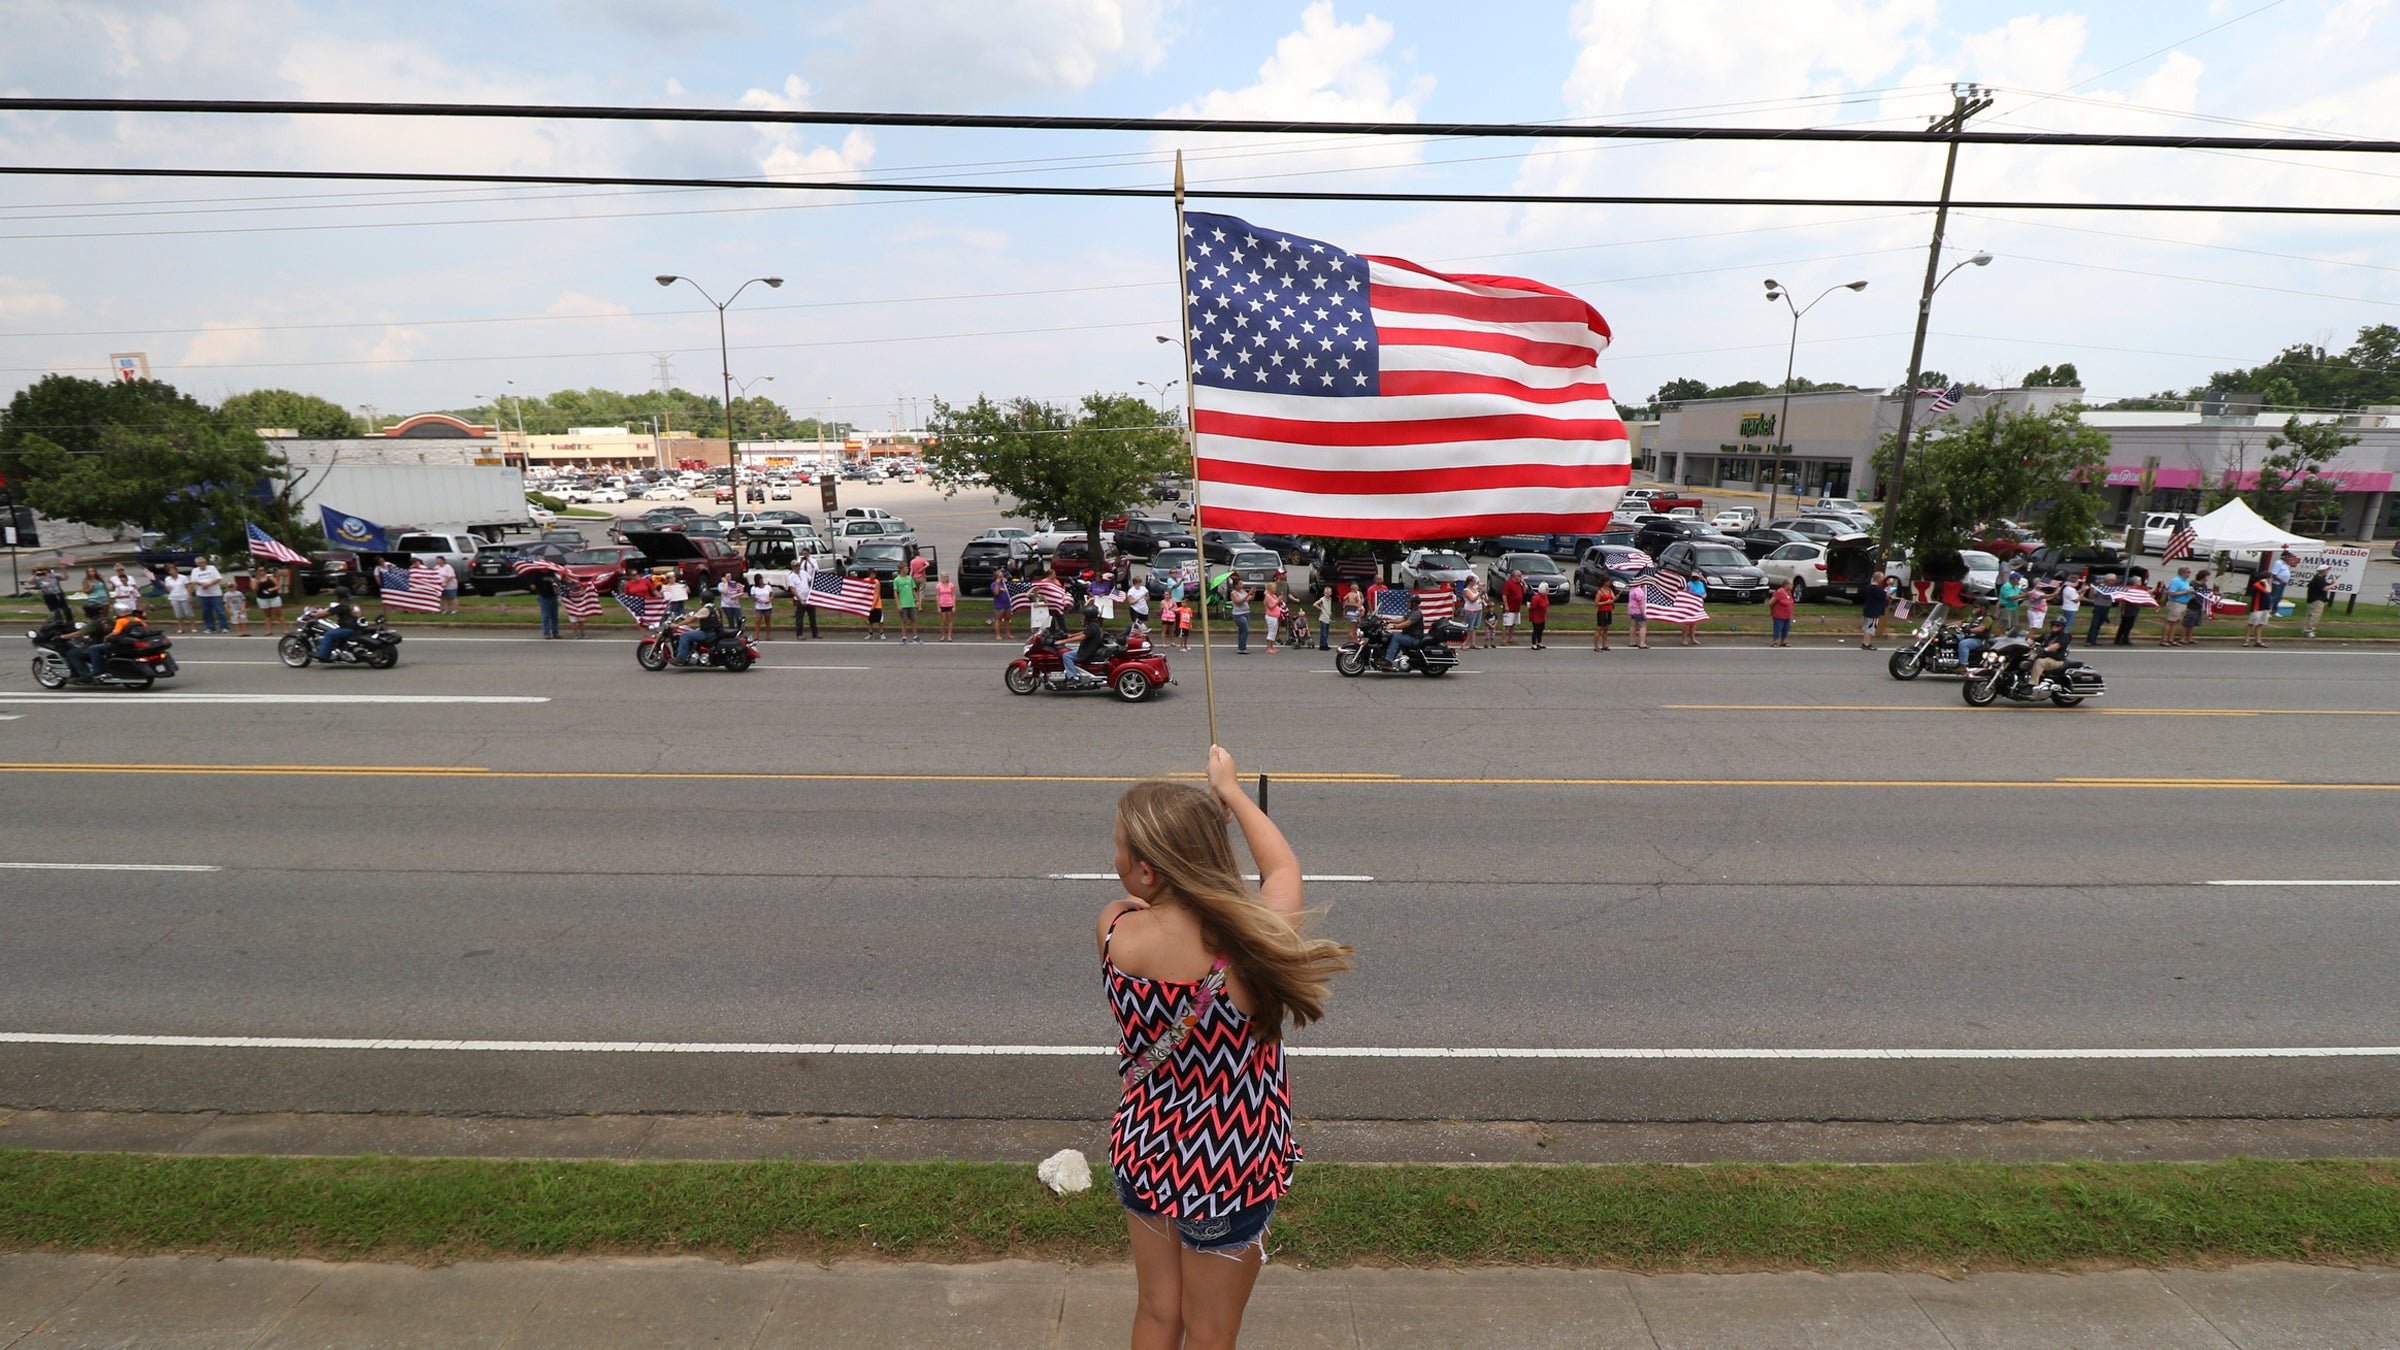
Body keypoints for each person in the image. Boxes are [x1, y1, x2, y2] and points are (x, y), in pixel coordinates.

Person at [1100, 747, 1350, 1350]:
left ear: (1147, 873)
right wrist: (1231, 793)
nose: (1115, 859)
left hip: (1149, 1147)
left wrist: (1197, 849)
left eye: (1120, 849)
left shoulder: (1116, 930)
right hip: (1231, 1166)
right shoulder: (1255, 942)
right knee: (1212, 1329)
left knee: (1158, 1313)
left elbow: (1153, 912)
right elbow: (1283, 871)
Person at [60, 601, 111, 682]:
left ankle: (84, 674)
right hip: (106, 645)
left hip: (96, 646)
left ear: (88, 612)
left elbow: (78, 634)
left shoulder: (94, 623)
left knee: (72, 653)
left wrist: (62, 636)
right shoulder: (107, 620)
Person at [1062, 605, 1108, 684]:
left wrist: (1064, 641)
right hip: (1089, 648)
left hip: (1086, 652)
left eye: (1084, 615)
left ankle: (1073, 676)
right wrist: (1071, 635)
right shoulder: (1094, 624)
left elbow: (1082, 637)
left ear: (1088, 616)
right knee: (1070, 649)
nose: (1082, 616)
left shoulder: (1092, 626)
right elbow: (1084, 632)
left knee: (1066, 656)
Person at [314, 587, 362, 662]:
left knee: (329, 634)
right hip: (358, 628)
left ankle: (322, 655)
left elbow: (325, 614)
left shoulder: (342, 606)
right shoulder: (353, 604)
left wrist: (313, 614)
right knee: (336, 632)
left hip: (349, 629)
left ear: (339, 596)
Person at [1381, 594, 1425, 667]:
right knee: (1390, 634)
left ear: (1414, 603)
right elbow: (1402, 619)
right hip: (1409, 635)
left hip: (1414, 638)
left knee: (1396, 637)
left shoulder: (1416, 613)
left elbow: (1407, 623)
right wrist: (1388, 621)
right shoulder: (1412, 611)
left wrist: (1394, 626)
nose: (1407, 603)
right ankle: (1385, 655)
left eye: (1409, 602)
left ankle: (1388, 660)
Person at [2027, 618, 2072, 689]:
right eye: (2053, 624)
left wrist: (2045, 649)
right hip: (2044, 656)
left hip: (2056, 660)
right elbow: (2035, 640)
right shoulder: (2048, 635)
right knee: (2026, 659)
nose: (2055, 626)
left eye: (2058, 625)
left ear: (2062, 627)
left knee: (2040, 662)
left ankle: (2032, 685)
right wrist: (2029, 641)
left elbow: (2056, 646)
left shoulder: (2065, 636)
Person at [1954, 603, 1996, 671]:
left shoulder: (1987, 618)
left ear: (1983, 608)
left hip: (1979, 639)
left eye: (1976, 607)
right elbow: (1961, 622)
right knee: (1952, 638)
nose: (1974, 608)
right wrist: (1944, 625)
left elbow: (1981, 628)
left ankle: (1963, 665)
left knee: (1964, 644)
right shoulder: (1973, 617)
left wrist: (1969, 630)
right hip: (1968, 636)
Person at [189, 556, 226, 632]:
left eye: (203, 562)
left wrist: (208, 584)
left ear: (205, 562)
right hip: (202, 594)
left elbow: (218, 578)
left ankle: (224, 627)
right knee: (206, 612)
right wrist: (202, 584)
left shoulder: (212, 568)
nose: (202, 564)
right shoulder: (195, 570)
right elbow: (193, 581)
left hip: (215, 593)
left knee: (220, 611)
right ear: (196, 564)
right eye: (199, 563)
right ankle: (210, 627)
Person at [2114, 567, 2147, 646]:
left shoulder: (2140, 589)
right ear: (2134, 582)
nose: (2140, 582)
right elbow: (2124, 600)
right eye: (2139, 581)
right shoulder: (2129, 589)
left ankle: (2126, 638)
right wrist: (2123, 610)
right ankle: (2118, 639)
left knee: (2130, 625)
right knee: (2124, 625)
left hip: (2135, 609)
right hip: (2128, 609)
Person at [158, 564, 195, 634]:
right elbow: (169, 590)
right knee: (178, 614)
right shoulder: (167, 579)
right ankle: (180, 628)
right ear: (168, 572)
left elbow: (188, 587)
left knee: (189, 613)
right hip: (174, 597)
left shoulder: (183, 577)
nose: (172, 571)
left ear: (176, 570)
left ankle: (193, 627)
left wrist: (189, 596)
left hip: (184, 596)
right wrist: (165, 585)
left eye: (173, 570)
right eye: (170, 570)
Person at [2160, 567, 2193, 646]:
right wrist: (2186, 592)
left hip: (2183, 603)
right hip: (2175, 603)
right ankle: (2164, 640)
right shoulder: (2176, 581)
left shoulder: (2185, 582)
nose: (2189, 574)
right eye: (2188, 572)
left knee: (2176, 622)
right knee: (2170, 621)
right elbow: (2171, 593)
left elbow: (2185, 592)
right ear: (2182, 573)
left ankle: (2171, 639)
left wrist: (2190, 595)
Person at [2181, 568, 2213, 645]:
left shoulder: (2204, 585)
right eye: (2207, 576)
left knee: (2192, 624)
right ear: (2203, 576)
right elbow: (2189, 593)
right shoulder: (2193, 584)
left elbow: (2205, 595)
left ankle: (2189, 638)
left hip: (2198, 607)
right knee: (2187, 623)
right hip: (2191, 606)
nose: (2208, 578)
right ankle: (2182, 638)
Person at [793, 554, 822, 639]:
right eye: (795, 566)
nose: (797, 567)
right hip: (800, 599)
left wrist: (812, 592)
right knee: (800, 618)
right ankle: (799, 634)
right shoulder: (792, 576)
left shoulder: (804, 573)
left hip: (809, 598)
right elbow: (793, 589)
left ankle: (815, 633)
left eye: (798, 565)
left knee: (812, 617)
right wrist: (800, 599)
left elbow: (811, 580)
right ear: (793, 567)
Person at [2243, 570, 2274, 647]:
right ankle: (2247, 640)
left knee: (2260, 624)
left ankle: (2258, 640)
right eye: (2270, 578)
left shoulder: (2266, 585)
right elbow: (2268, 591)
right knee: (2251, 623)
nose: (2271, 580)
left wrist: (2269, 608)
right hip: (2257, 607)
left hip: (2265, 607)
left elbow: (2269, 595)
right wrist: (2267, 582)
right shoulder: (2257, 585)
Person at [2085, 573, 2116, 646]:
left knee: (2099, 625)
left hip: (2107, 607)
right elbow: (2092, 597)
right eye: (2113, 580)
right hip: (2099, 607)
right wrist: (2092, 590)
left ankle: (2094, 640)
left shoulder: (2113, 588)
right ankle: (2089, 641)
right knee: (2095, 624)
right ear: (2108, 580)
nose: (2114, 582)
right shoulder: (2100, 587)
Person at [254, 566, 287, 637]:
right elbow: (255, 589)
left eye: (262, 570)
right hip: (262, 598)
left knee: (278, 614)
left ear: (265, 571)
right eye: (259, 570)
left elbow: (278, 586)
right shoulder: (256, 580)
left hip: (273, 597)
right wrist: (257, 583)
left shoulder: (271, 578)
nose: (261, 572)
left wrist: (272, 589)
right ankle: (269, 630)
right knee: (267, 615)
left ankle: (285, 629)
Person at [1858, 573, 1887, 651]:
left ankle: (1865, 642)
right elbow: (1885, 596)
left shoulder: (1868, 587)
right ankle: (1866, 644)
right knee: (1870, 628)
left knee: (1867, 627)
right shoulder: (1876, 589)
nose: (1883, 580)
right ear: (1878, 579)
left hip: (1868, 609)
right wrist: (1889, 587)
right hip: (1874, 611)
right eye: (1882, 578)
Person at [1678, 573, 1707, 647]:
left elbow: (1704, 593)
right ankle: (1684, 639)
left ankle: (1693, 638)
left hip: (1698, 604)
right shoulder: (1689, 584)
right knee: (1687, 623)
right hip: (1690, 604)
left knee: (1694, 622)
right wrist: (1688, 589)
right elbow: (1685, 593)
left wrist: (1704, 596)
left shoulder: (1701, 584)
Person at [2304, 565, 2333, 639]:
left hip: (2313, 599)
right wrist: (2335, 584)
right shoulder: (2319, 579)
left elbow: (2324, 585)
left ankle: (2307, 629)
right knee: (2315, 615)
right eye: (2327, 570)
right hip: (2317, 600)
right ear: (2323, 571)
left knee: (2310, 615)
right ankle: (2308, 630)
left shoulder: (2318, 578)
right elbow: (2324, 588)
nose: (2327, 571)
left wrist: (2330, 584)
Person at [531, 568, 561, 639]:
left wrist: (555, 580)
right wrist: (533, 586)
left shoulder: (551, 573)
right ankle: (546, 633)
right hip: (544, 596)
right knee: (545, 616)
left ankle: (555, 632)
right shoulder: (537, 574)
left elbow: (558, 581)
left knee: (555, 616)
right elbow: (533, 585)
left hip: (553, 596)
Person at [893, 568, 920, 643]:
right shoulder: (897, 580)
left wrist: (917, 600)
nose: (907, 570)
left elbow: (913, 589)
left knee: (913, 620)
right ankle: (904, 637)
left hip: (911, 603)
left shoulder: (910, 578)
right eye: (906, 568)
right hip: (903, 603)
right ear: (901, 569)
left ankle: (915, 637)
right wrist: (898, 604)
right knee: (904, 621)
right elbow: (895, 593)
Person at [1500, 569, 1525, 645]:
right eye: (1519, 576)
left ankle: (1510, 638)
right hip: (1509, 607)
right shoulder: (1508, 583)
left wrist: (1523, 584)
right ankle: (1503, 639)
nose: (1521, 577)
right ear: (1515, 576)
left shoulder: (1519, 584)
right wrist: (1506, 605)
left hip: (1516, 607)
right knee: (1507, 624)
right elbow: (1504, 595)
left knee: (1513, 624)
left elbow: (1524, 592)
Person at [1226, 578, 1251, 654]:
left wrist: (1253, 593)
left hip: (1246, 613)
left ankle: (1241, 647)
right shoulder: (1233, 593)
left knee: (1242, 631)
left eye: (1242, 584)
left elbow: (1250, 598)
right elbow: (1239, 602)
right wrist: (1248, 595)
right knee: (1246, 631)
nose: (1242, 585)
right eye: (1240, 584)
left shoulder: (1243, 591)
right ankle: (1242, 648)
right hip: (1239, 615)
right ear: (1236, 585)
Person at [1459, 577, 1486, 648]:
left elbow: (1477, 598)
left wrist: (1482, 597)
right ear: (1470, 582)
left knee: (1474, 627)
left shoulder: (1474, 589)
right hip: (1471, 611)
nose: (1475, 582)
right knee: (1468, 628)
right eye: (1473, 581)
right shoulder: (1466, 590)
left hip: (1478, 610)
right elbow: (1472, 599)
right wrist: (1480, 593)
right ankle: (1463, 643)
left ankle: (1473, 643)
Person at [1767, 578, 1793, 647]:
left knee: (1786, 628)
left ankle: (1783, 641)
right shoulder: (1779, 592)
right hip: (1779, 615)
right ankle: (1774, 642)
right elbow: (1770, 603)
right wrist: (1773, 610)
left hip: (1787, 615)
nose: (1792, 586)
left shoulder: (1789, 592)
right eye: (1791, 584)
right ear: (1786, 585)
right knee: (1778, 628)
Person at [1594, 578, 1618, 651]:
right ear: (1604, 582)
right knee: (1600, 628)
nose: (1610, 583)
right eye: (1608, 581)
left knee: (1606, 628)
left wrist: (1615, 598)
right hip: (1602, 612)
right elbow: (1596, 603)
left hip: (1609, 611)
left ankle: (1604, 644)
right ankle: (1596, 646)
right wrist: (1606, 602)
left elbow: (1613, 599)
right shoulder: (1600, 592)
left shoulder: (1610, 590)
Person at [749, 573, 774, 641]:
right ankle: (756, 635)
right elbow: (752, 596)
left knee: (767, 621)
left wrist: (769, 600)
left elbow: (771, 595)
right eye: (759, 580)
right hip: (759, 607)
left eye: (761, 580)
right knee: (758, 621)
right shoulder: (754, 588)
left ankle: (768, 635)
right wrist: (758, 600)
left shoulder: (767, 587)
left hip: (767, 607)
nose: (761, 581)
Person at [1626, 576, 1649, 649]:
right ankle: (1642, 643)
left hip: (1632, 611)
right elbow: (1641, 603)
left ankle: (1632, 641)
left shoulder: (1632, 590)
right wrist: (1643, 613)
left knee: (1633, 626)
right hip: (1638, 611)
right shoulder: (1639, 591)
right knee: (1643, 626)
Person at [1525, 583, 1550, 649]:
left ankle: (1539, 642)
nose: (1548, 590)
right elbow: (1532, 607)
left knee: (1541, 629)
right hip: (1536, 616)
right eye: (1547, 589)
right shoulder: (1536, 598)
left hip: (1542, 616)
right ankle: (1533, 644)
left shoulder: (1545, 596)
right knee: (1536, 630)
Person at [936, 573, 958, 642]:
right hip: (942, 604)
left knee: (950, 620)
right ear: (941, 577)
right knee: (943, 620)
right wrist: (938, 607)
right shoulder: (938, 586)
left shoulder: (951, 585)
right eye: (944, 577)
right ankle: (943, 635)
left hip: (950, 604)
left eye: (947, 577)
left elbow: (953, 595)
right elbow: (937, 596)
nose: (946, 578)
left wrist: (954, 606)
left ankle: (949, 635)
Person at [1262, 583, 1283, 654]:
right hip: (1271, 617)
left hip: (1275, 617)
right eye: (1274, 588)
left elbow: (1277, 602)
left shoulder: (1273, 595)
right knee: (1271, 632)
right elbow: (1271, 607)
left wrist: (1280, 599)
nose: (1275, 589)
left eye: (1275, 588)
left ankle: (1272, 646)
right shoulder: (1268, 596)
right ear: (1269, 589)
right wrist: (1278, 600)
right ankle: (1269, 647)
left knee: (1274, 632)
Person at [1314, 585, 1335, 652]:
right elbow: (1315, 604)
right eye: (1326, 593)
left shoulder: (1330, 599)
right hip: (1323, 618)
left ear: (1331, 593)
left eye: (1328, 593)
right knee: (1324, 633)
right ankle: (1322, 645)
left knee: (1327, 632)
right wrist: (1321, 609)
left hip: (1327, 617)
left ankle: (1325, 644)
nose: (1327, 594)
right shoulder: (1322, 599)